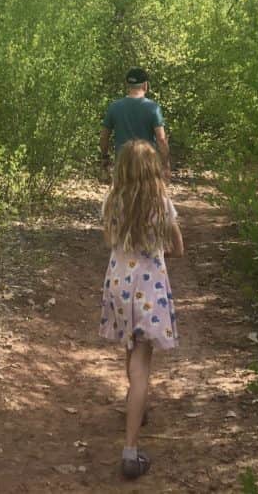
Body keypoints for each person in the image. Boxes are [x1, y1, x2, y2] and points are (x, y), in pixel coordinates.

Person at [98, 140, 185, 479]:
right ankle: (130, 451)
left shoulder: (112, 201)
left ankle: (136, 404)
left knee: (131, 349)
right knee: (141, 366)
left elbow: (111, 240)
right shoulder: (161, 203)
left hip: (119, 285)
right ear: (152, 170)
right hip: (149, 288)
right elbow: (178, 249)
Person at [100, 67, 171, 181]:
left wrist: (105, 157)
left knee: (123, 196)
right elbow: (161, 139)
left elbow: (104, 137)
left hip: (123, 164)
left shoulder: (114, 107)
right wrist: (165, 164)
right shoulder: (153, 108)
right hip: (147, 163)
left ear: (127, 85)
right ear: (145, 85)